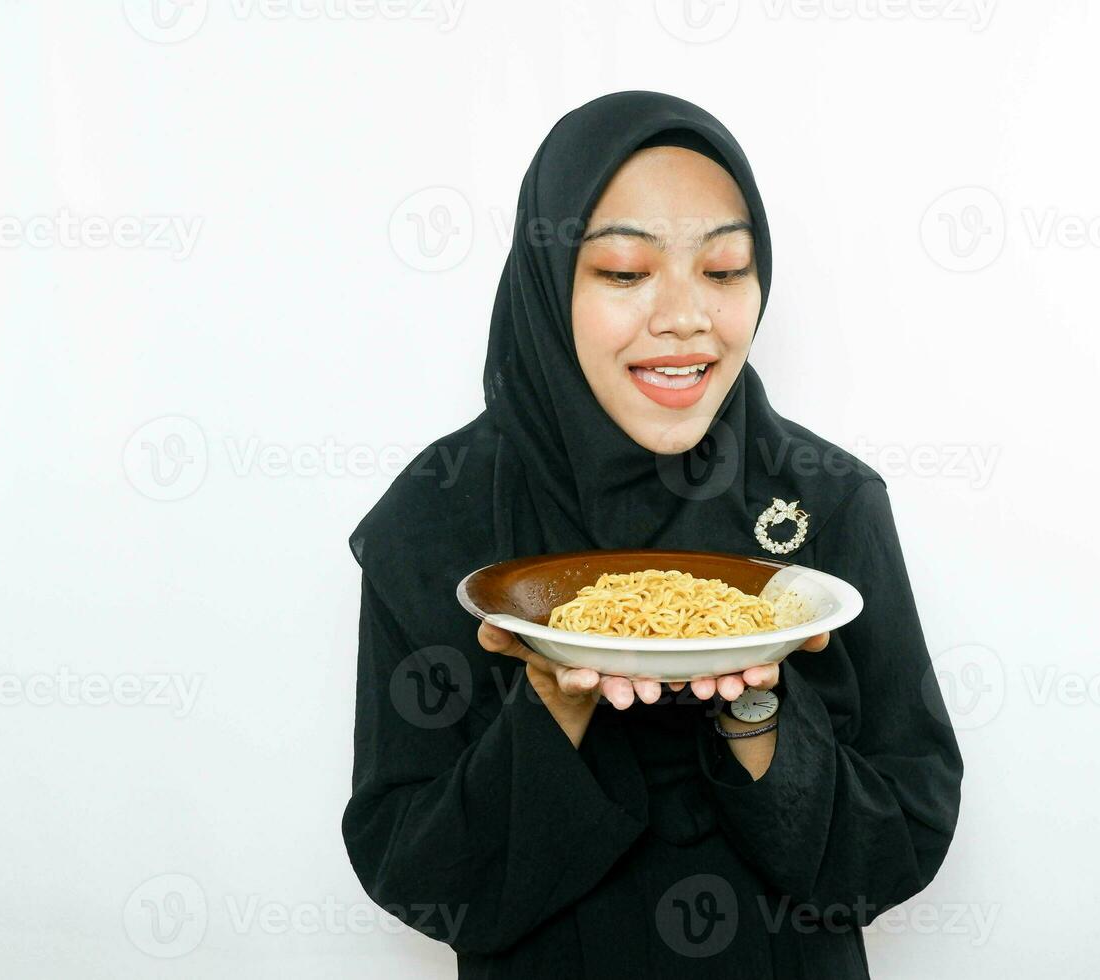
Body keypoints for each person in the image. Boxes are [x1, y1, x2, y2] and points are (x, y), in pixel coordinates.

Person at [343, 90, 962, 979]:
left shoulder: (827, 503)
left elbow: (903, 842)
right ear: (547, 287)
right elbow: (416, 870)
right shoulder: (440, 518)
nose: (684, 317)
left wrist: (758, 715)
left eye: (724, 270)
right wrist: (556, 705)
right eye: (627, 271)